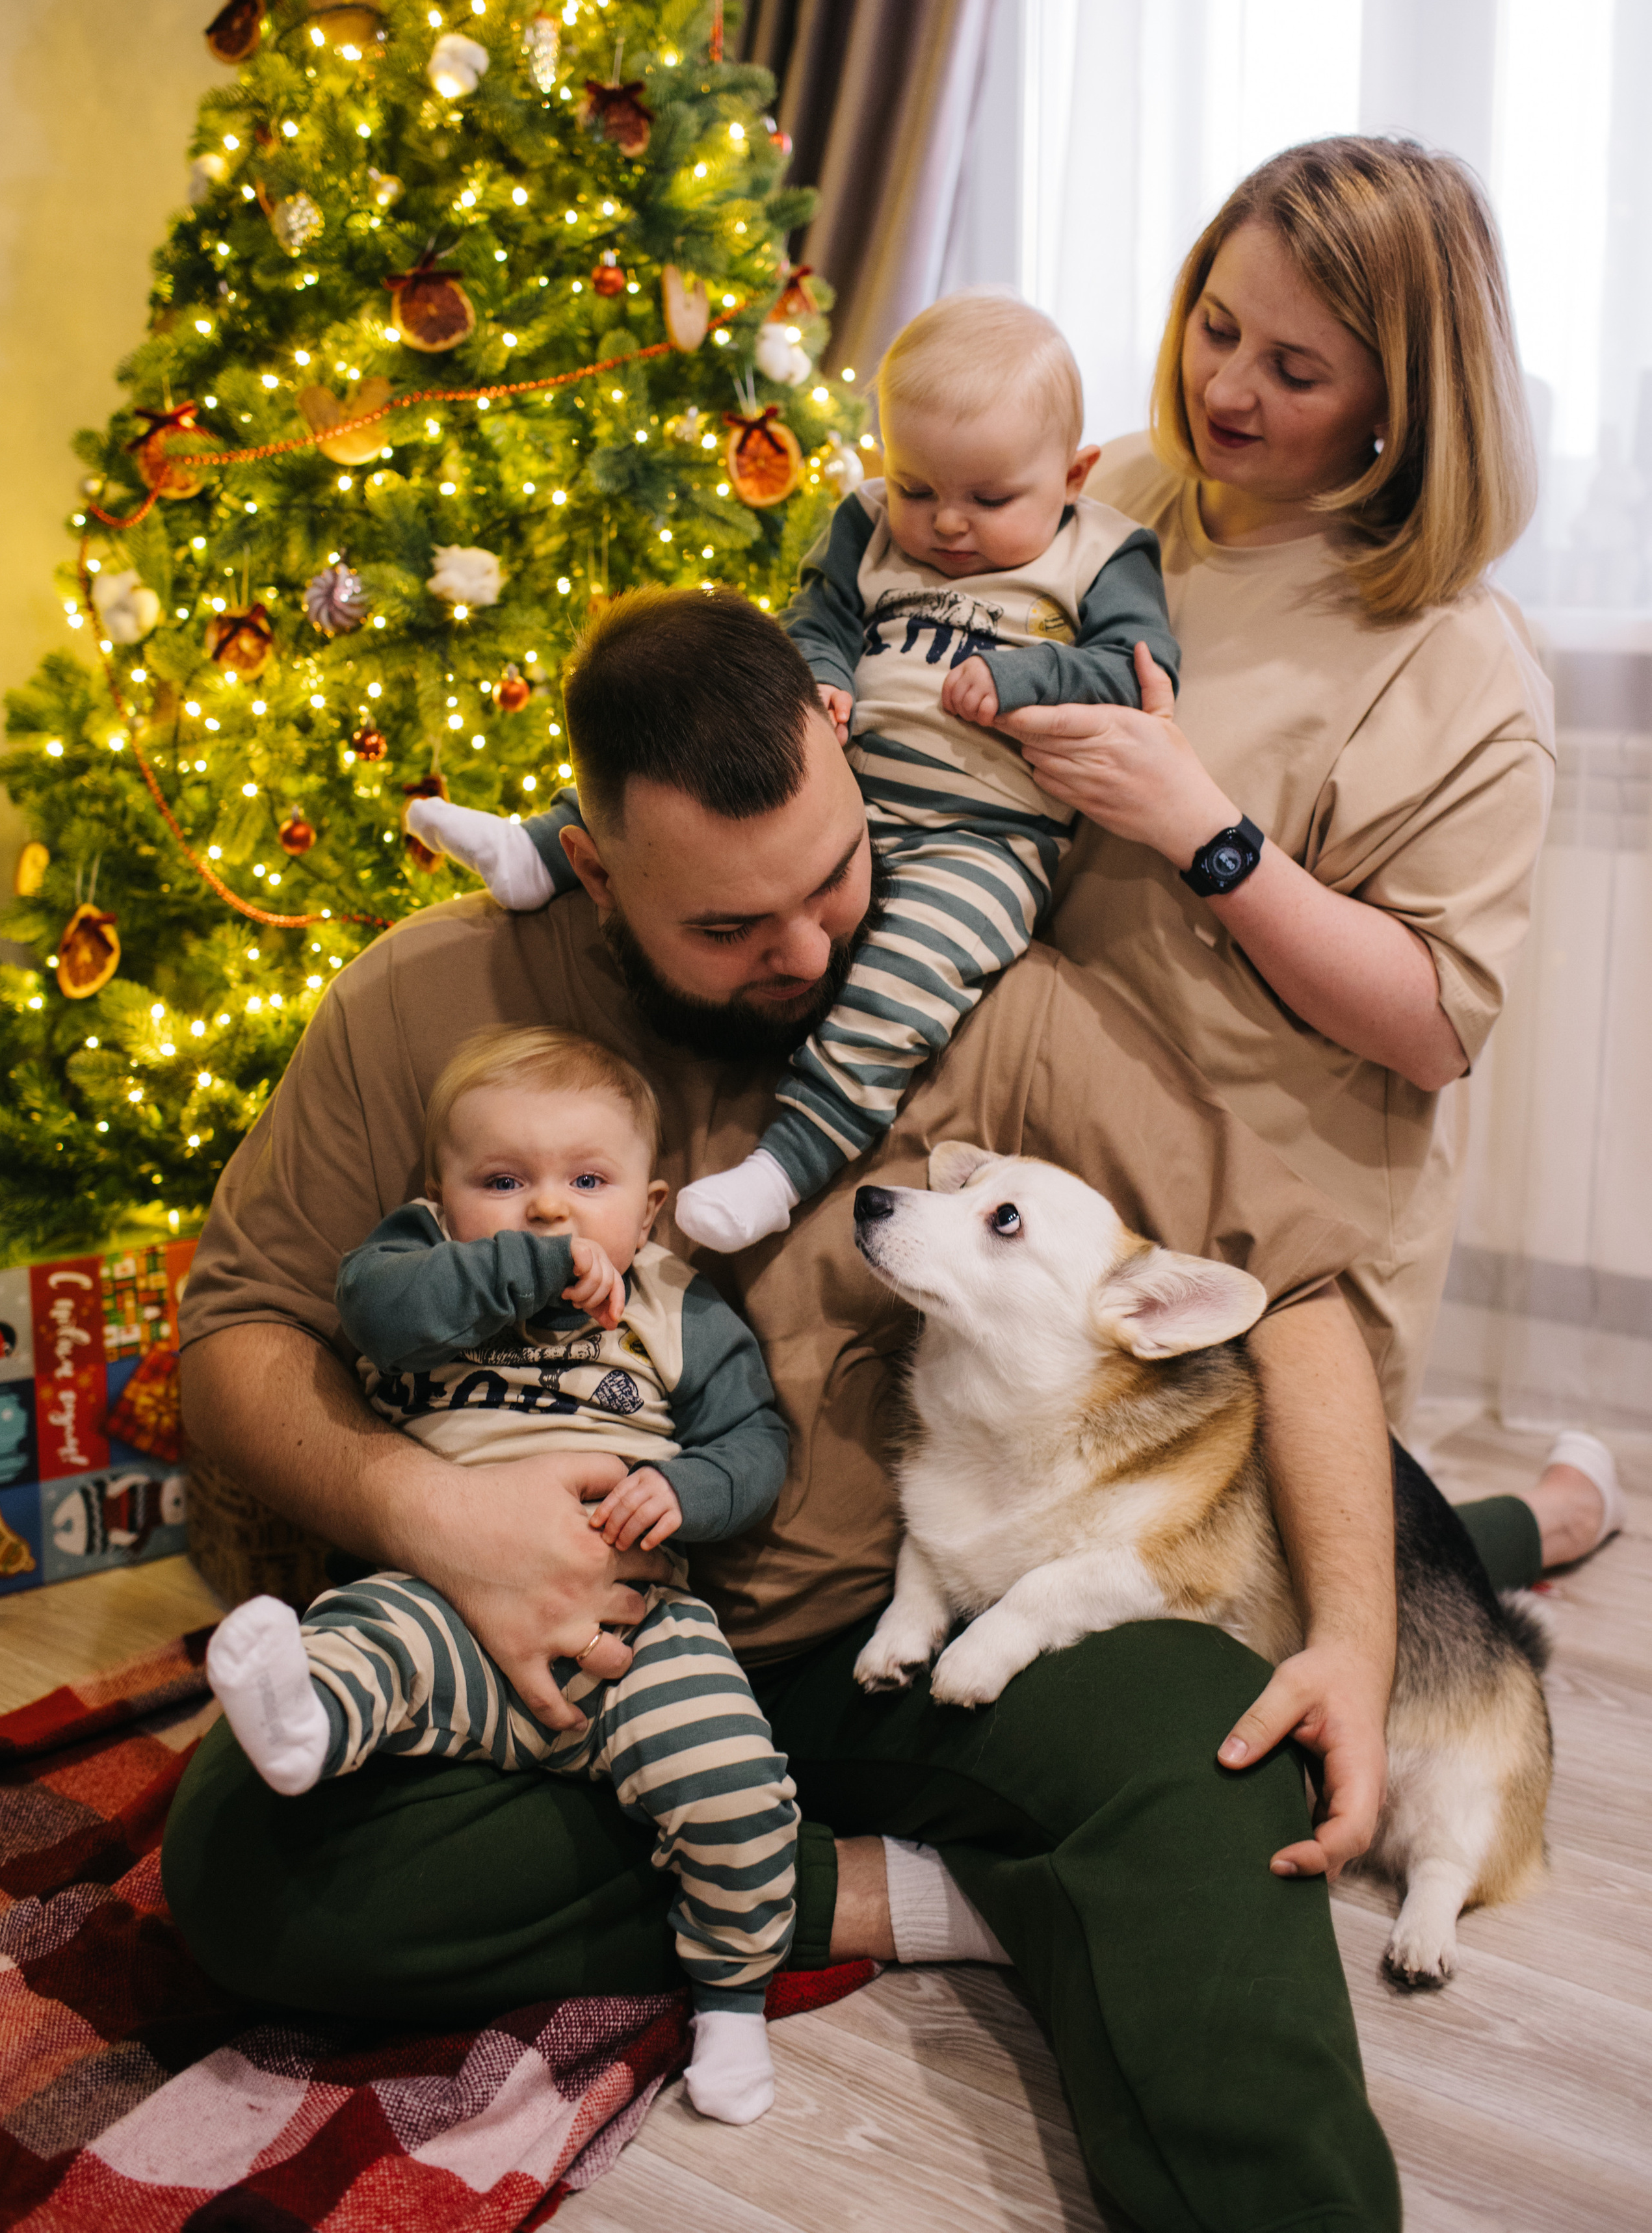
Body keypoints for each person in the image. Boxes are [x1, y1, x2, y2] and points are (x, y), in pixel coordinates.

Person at [164, 582, 1413, 2231]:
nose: (810, 952)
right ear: (596, 864)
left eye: (831, 880)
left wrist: (1357, 1648)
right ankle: (872, 1893)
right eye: (729, 930)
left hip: (901, 1640)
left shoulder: (981, 980)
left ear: (838, 727)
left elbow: (1292, 1287)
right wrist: (430, 1516)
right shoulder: (424, 997)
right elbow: (238, 1330)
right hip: (542, 1650)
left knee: (1216, 1765)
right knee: (244, 1877)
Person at [992, 135, 1619, 1561]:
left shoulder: (1453, 661)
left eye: (1294, 369)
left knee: (1258, 1590)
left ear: (1399, 404)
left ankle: (1539, 1517)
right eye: (1216, 325)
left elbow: (1427, 1028)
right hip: (1041, 1161)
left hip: (1262, 1223)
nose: (1224, 388)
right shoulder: (1116, 494)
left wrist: (1205, 835)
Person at [408, 293, 1181, 1256]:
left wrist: (1025, 677)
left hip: (979, 832)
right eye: (915, 487)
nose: (945, 524)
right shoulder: (866, 524)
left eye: (989, 500)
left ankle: (787, 1163)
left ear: (1073, 475)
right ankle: (539, 853)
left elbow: (1145, 671)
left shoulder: (1101, 554)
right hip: (840, 771)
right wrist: (820, 678)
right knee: (692, 762)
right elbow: (816, 617)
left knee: (905, 984)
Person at [202, 1023, 796, 2126]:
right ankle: (310, 1719)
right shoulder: (410, 1273)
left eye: (587, 1182)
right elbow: (379, 1318)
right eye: (504, 1182)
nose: (549, 1208)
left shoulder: (677, 1304)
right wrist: (526, 1267)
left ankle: (730, 2000)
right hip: (445, 1606)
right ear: (438, 1198)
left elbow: (756, 1443)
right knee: (370, 1639)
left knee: (733, 1781)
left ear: (652, 1208)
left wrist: (694, 1493)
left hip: (635, 1620)